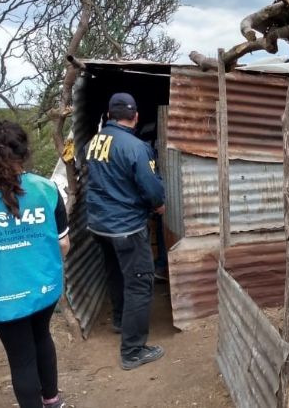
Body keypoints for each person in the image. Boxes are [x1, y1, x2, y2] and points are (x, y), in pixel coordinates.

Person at [0, 121, 69, 408]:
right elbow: (63, 244)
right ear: (26, 152)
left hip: (3, 294)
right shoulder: (47, 189)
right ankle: (52, 400)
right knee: (42, 337)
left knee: (21, 357)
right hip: (43, 286)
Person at [84, 92, 166, 370]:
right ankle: (132, 351)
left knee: (116, 273)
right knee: (140, 283)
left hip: (99, 225)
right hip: (126, 227)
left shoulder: (95, 141)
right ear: (136, 116)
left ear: (109, 114)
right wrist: (158, 204)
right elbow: (151, 188)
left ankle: (120, 320)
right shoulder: (135, 147)